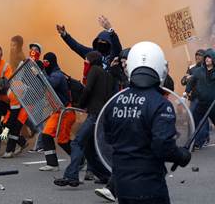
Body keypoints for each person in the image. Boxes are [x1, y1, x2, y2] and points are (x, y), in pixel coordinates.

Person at [101, 41, 191, 204]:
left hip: (122, 185)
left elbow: (108, 138)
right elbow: (163, 146)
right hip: (149, 186)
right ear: (160, 68)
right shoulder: (160, 103)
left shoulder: (115, 102)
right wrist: (182, 156)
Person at [54, 51, 114, 187]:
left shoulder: (94, 70)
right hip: (102, 116)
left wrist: (81, 104)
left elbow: (88, 90)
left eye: (86, 60)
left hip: (94, 115)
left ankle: (71, 176)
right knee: (89, 148)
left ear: (91, 61)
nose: (85, 63)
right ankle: (106, 176)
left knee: (77, 142)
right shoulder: (108, 76)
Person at [39, 52, 76, 171]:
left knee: (63, 141)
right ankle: (52, 164)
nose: (45, 65)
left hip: (66, 112)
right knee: (46, 134)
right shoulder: (51, 74)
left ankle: (81, 159)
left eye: (46, 62)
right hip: (57, 111)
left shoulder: (57, 75)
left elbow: (50, 84)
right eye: (43, 62)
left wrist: (40, 72)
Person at [56, 15, 122, 71]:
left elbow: (117, 47)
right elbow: (77, 47)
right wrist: (65, 35)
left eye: (104, 42)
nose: (101, 44)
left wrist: (110, 30)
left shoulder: (113, 56)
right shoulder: (93, 54)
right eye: (100, 41)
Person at [185, 48, 215, 149]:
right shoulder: (198, 71)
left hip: (213, 105)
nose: (207, 59)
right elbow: (191, 81)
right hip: (201, 102)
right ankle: (195, 142)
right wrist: (186, 92)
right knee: (195, 120)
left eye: (209, 57)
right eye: (206, 57)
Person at [181, 49, 205, 113]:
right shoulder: (191, 67)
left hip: (206, 97)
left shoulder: (207, 67)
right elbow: (183, 82)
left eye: (200, 55)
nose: (197, 57)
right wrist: (187, 78)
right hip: (194, 98)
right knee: (192, 116)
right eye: (196, 55)